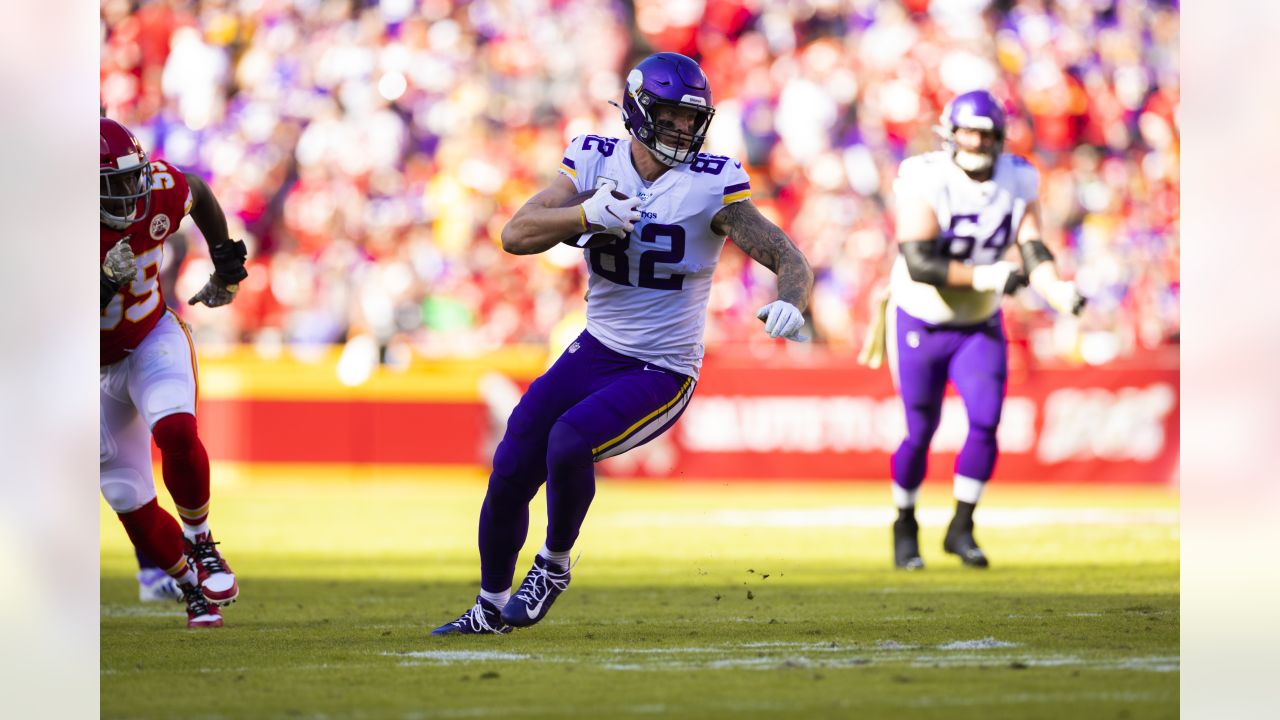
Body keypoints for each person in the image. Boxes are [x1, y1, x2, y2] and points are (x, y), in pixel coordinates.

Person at [432, 52, 814, 635]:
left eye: (692, 120)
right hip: (595, 348)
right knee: (511, 464)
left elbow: (787, 255)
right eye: (670, 115)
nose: (683, 129)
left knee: (568, 439)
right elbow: (515, 234)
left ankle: (552, 567)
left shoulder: (712, 184)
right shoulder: (592, 160)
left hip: (662, 367)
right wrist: (583, 213)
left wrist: (791, 298)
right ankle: (488, 608)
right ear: (638, 111)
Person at [877, 90, 1085, 570]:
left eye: (986, 133)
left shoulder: (1017, 177)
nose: (976, 141)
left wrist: (1054, 288)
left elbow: (1031, 245)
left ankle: (961, 526)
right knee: (919, 431)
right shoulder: (925, 176)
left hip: (977, 321)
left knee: (987, 421)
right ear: (950, 133)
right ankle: (905, 523)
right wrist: (988, 275)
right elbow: (920, 262)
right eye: (968, 131)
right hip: (920, 316)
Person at [99, 117, 247, 627]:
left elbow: (199, 192)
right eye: (111, 184)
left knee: (176, 427)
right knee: (124, 493)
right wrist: (99, 285)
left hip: (149, 337)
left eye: (130, 177)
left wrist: (226, 263)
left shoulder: (155, 189)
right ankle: (190, 588)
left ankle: (202, 540)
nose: (127, 192)